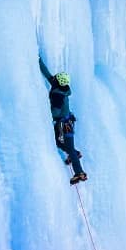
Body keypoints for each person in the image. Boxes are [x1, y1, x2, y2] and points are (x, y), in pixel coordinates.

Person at [39, 57, 88, 185]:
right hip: (65, 122)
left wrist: (43, 110)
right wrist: (38, 59)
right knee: (57, 142)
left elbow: (55, 112)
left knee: (69, 147)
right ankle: (74, 154)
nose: (55, 77)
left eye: (57, 77)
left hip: (66, 124)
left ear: (60, 81)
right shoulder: (59, 87)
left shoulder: (58, 96)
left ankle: (79, 173)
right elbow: (48, 74)